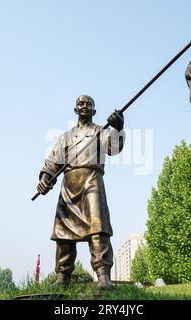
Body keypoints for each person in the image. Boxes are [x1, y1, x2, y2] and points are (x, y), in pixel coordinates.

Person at [37, 95, 125, 290]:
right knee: (63, 234)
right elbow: (53, 161)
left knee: (98, 229)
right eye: (81, 104)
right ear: (75, 109)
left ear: (94, 111)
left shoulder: (101, 132)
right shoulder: (65, 137)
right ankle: (62, 276)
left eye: (89, 105)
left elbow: (114, 148)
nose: (84, 107)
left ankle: (103, 276)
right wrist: (45, 179)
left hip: (92, 181)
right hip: (69, 185)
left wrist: (118, 128)